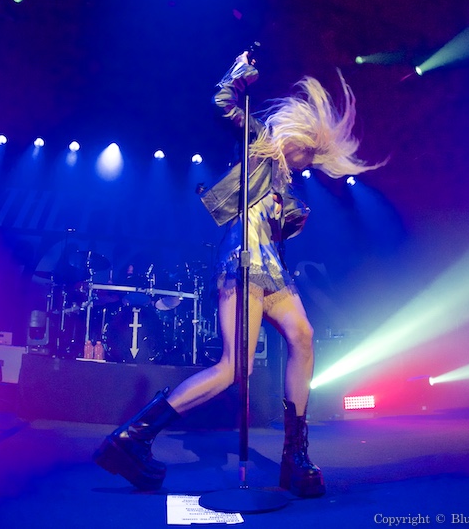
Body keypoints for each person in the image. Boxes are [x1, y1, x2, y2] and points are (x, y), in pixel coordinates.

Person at [92, 52, 377, 496]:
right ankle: (133, 437)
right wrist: (239, 76)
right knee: (233, 369)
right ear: (295, 140)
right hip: (242, 262)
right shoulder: (261, 146)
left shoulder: (288, 184)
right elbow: (222, 103)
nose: (309, 164)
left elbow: (279, 228)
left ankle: (295, 455)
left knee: (302, 336)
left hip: (274, 269)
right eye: (309, 153)